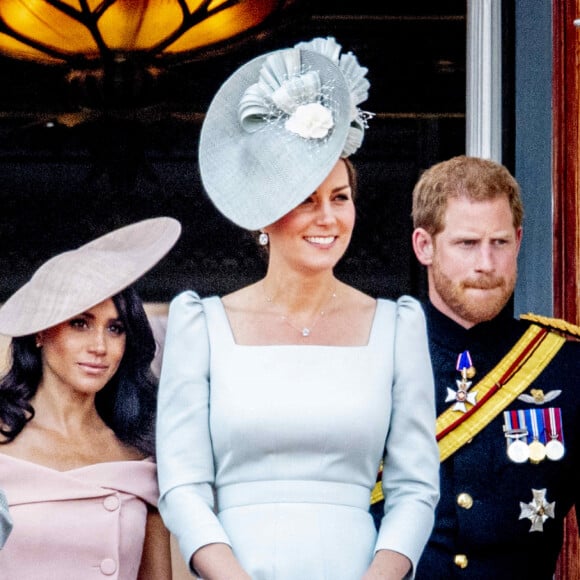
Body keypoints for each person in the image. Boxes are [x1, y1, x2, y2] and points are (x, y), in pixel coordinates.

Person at [156, 37, 440, 579]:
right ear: (264, 214)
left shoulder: (396, 325)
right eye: (306, 199)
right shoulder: (202, 325)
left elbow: (415, 488)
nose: (328, 218)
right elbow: (183, 486)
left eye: (340, 197)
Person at [407, 155, 580, 579]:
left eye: (499, 243)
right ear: (424, 246)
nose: (486, 263)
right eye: (467, 244)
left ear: (519, 242)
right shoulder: (378, 353)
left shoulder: (565, 365)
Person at [0, 217, 181, 579]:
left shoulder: (141, 455)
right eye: (80, 323)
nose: (99, 346)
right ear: (39, 331)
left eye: (115, 328)